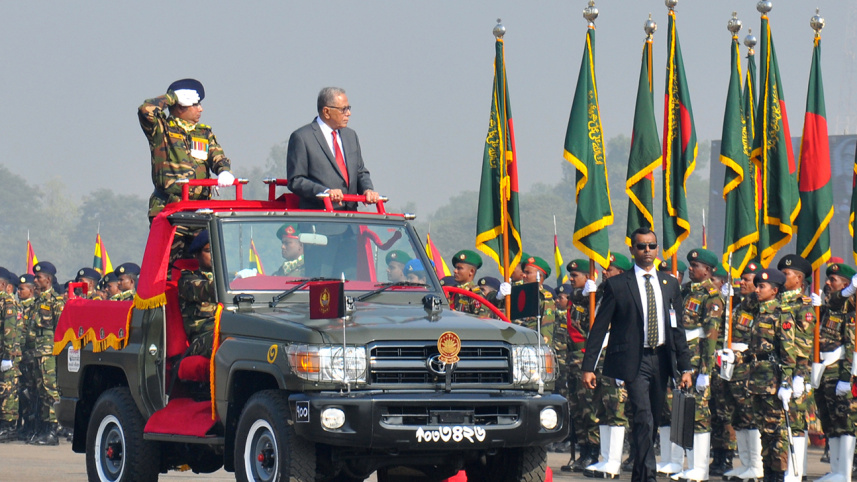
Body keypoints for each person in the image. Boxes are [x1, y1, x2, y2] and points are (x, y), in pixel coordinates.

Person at [582, 227, 692, 482]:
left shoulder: (670, 284)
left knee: (652, 420)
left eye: (652, 246)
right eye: (641, 246)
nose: (647, 251)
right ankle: (649, 476)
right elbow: (599, 327)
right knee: (642, 416)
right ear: (632, 250)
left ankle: (640, 476)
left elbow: (678, 329)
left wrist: (685, 367)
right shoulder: (618, 284)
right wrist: (589, 366)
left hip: (662, 359)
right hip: (634, 360)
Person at [139, 78, 234, 220]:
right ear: (181, 106)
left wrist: (224, 171)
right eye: (195, 104)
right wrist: (173, 98)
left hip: (200, 210)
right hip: (170, 210)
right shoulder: (161, 129)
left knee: (210, 241)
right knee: (172, 242)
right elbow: (145, 110)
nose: (200, 109)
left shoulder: (203, 133)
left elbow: (218, 157)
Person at [670, 248, 724, 482]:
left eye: (696, 266)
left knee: (699, 415)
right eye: (691, 265)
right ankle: (688, 464)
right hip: (683, 360)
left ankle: (699, 468)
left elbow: (710, 337)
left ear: (708, 270)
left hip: (697, 362)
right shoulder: (686, 291)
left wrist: (705, 372)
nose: (690, 269)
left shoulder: (712, 296)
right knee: (684, 413)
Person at [286, 87, 379, 210]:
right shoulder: (302, 137)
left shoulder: (350, 136)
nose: (348, 113)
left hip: (351, 218)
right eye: (343, 109)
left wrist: (368, 189)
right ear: (326, 112)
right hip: (321, 218)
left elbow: (360, 171)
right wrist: (325, 192)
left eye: (349, 108)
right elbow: (296, 180)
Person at [747, 268, 797, 482]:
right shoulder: (759, 312)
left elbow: (788, 352)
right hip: (758, 380)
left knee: (777, 432)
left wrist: (787, 383)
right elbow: (756, 349)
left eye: (762, 287)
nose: (757, 290)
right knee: (764, 431)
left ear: (775, 290)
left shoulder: (781, 314)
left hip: (774, 382)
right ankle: (768, 473)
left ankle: (777, 474)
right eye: (757, 285)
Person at [718, 262, 765, 481]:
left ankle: (756, 465)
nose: (743, 283)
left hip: (748, 366)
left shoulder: (760, 305)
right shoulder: (737, 304)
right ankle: (745, 463)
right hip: (733, 364)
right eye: (742, 279)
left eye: (749, 280)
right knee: (739, 416)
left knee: (750, 416)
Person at [813, 262, 857, 482]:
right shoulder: (828, 307)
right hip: (823, 371)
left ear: (847, 285)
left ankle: (845, 473)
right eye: (827, 279)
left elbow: (851, 345)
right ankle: (836, 470)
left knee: (845, 422)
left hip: (840, 370)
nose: (828, 283)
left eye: (833, 280)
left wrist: (845, 377)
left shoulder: (850, 308)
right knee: (830, 422)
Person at [776, 254, 814, 482]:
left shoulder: (804, 305)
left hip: (796, 372)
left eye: (786, 274)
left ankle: (795, 472)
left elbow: (803, 343)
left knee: (796, 422)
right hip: (777, 369)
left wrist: (799, 377)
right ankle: (781, 470)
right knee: (779, 422)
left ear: (799, 279)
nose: (781, 277)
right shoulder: (776, 300)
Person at [30, 262, 64, 445]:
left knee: (51, 389)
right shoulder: (39, 300)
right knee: (41, 390)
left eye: (38, 277)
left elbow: (61, 328)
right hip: (39, 349)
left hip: (50, 350)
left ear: (48, 280)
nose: (35, 280)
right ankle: (44, 428)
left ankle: (53, 430)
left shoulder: (55, 301)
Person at [179, 230, 217, 358]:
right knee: (228, 340)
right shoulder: (188, 279)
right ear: (197, 254)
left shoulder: (231, 277)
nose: (214, 254)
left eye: (216, 249)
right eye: (208, 251)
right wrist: (237, 284)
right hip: (201, 339)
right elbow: (205, 289)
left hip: (227, 329)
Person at [0, 268, 22, 442]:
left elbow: (9, 331)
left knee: (8, 389)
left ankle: (8, 427)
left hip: (6, 354)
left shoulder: (7, 302)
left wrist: (8, 356)